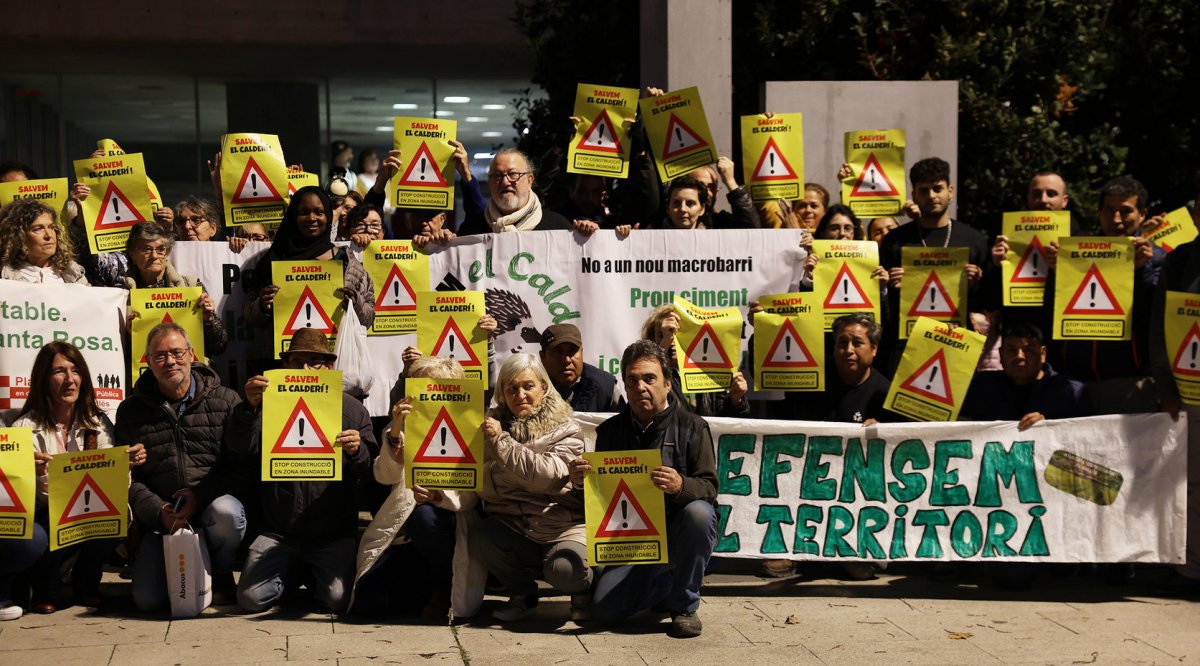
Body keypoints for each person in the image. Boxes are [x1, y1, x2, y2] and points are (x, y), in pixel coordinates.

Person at [426, 354, 590, 623]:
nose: (520, 395)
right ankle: (522, 595)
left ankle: (582, 593)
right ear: (502, 393)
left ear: (544, 387)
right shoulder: (487, 427)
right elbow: (480, 486)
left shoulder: (566, 429)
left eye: (528, 386)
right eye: (511, 388)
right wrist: (437, 494)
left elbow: (546, 477)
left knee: (565, 569)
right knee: (482, 536)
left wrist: (502, 443)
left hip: (561, 528)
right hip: (515, 527)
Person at [570, 340, 718, 638]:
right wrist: (580, 480)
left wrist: (680, 486)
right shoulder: (611, 432)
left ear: (667, 384)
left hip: (676, 534)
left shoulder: (692, 427)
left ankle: (684, 606)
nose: (640, 387)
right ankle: (664, 581)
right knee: (605, 612)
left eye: (649, 378)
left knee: (699, 514)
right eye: (632, 380)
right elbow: (600, 502)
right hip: (632, 541)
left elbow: (709, 487)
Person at [233, 329, 374, 613]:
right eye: (296, 361)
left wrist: (358, 450)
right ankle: (293, 572)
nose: (305, 369)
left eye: (315, 362)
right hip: (279, 533)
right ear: (285, 366)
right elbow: (239, 450)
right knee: (250, 599)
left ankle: (311, 572)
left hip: (331, 535)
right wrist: (248, 409)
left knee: (338, 599)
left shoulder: (353, 410)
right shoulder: (263, 404)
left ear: (330, 366)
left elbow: (372, 472)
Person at [117, 322, 247, 611]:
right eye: (160, 356)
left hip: (211, 504)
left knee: (228, 514)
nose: (170, 362)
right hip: (163, 518)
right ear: (148, 362)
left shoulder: (226, 400)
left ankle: (222, 571)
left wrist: (199, 496)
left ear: (192, 354)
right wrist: (159, 511)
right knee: (148, 602)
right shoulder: (130, 411)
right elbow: (128, 480)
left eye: (176, 352)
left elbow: (238, 466)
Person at [11, 342, 145, 612]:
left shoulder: (97, 423)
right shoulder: (24, 427)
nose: (69, 380)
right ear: (44, 379)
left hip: (87, 510)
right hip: (45, 511)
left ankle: (86, 583)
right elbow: (19, 495)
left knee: (119, 515)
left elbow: (115, 485)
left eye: (75, 371)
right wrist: (30, 473)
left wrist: (125, 464)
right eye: (59, 372)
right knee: (36, 535)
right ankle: (43, 587)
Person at [960, 321, 1090, 590]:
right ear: (1001, 354)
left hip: (1050, 497)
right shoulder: (980, 388)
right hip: (995, 498)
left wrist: (1052, 426)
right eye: (1011, 350)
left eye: (1028, 350)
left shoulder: (1072, 392)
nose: (1019, 356)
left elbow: (1091, 449)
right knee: (1010, 577)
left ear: (1043, 354)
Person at [350, 355, 465, 620]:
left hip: (451, 523)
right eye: (414, 384)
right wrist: (394, 436)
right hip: (405, 530)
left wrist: (439, 497)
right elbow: (384, 476)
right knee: (369, 600)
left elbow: (474, 497)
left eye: (427, 387)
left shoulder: (468, 425)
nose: (419, 393)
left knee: (424, 517)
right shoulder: (399, 426)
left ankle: (442, 589)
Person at [1045, 175, 1163, 414]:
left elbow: (1155, 319)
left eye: (1126, 211)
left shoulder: (1158, 259)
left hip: (1130, 385)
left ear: (1143, 214)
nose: (1116, 219)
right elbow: (1052, 312)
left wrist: (1141, 271)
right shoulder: (1076, 253)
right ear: (1099, 213)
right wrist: (1057, 273)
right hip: (1076, 383)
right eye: (1109, 211)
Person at [243, 185, 375, 364]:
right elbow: (250, 316)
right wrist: (262, 305)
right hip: (284, 368)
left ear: (328, 216)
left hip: (335, 365)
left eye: (319, 212)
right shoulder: (273, 259)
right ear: (292, 217)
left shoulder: (347, 262)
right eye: (303, 212)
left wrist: (355, 302)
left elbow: (368, 318)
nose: (311, 218)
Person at [1150, 232, 1200, 595]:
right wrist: (1166, 388)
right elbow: (1160, 327)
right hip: (1191, 392)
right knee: (1193, 486)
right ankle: (1192, 570)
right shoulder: (1181, 260)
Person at [121, 222, 228, 357]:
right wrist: (129, 336)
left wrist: (208, 319)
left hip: (191, 373)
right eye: (146, 249)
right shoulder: (120, 296)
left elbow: (219, 346)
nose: (154, 256)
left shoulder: (191, 286)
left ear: (167, 253)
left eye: (161, 249)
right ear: (132, 254)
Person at [641, 304, 749, 417]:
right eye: (662, 334)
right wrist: (663, 346)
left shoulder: (709, 373)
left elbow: (722, 422)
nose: (672, 340)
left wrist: (735, 400)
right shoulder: (647, 374)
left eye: (679, 333)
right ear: (652, 340)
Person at [457, 148, 572, 235]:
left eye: (513, 174)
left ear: (529, 180)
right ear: (489, 182)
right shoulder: (471, 230)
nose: (505, 182)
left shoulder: (558, 228)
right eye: (497, 175)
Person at [0, 199, 88, 284]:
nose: (48, 235)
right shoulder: (6, 278)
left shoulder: (73, 272)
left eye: (51, 227)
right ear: (18, 236)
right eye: (38, 229)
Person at [539, 323, 621, 412]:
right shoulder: (528, 389)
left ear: (581, 352)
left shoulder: (606, 387)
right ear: (542, 356)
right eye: (558, 352)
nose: (567, 360)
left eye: (572, 351)